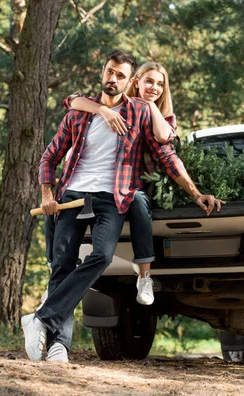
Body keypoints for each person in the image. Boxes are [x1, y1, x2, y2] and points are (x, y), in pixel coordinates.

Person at [22, 50, 223, 363]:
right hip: (71, 195)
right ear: (104, 72)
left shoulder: (140, 112)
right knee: (62, 266)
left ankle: (40, 319)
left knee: (101, 256)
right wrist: (48, 195)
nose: (112, 79)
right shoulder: (79, 113)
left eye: (120, 75)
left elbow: (167, 156)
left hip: (113, 197)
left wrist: (196, 194)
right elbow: (49, 157)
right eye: (109, 72)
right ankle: (60, 345)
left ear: (130, 82)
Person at [63, 61, 177, 306]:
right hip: (113, 186)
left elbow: (163, 136)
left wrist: (149, 106)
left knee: (137, 198)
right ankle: (56, 279)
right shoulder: (119, 108)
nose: (154, 88)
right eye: (149, 81)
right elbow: (72, 100)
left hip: (145, 185)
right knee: (61, 205)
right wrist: (102, 110)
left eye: (160, 84)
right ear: (136, 81)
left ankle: (145, 275)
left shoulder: (157, 113)